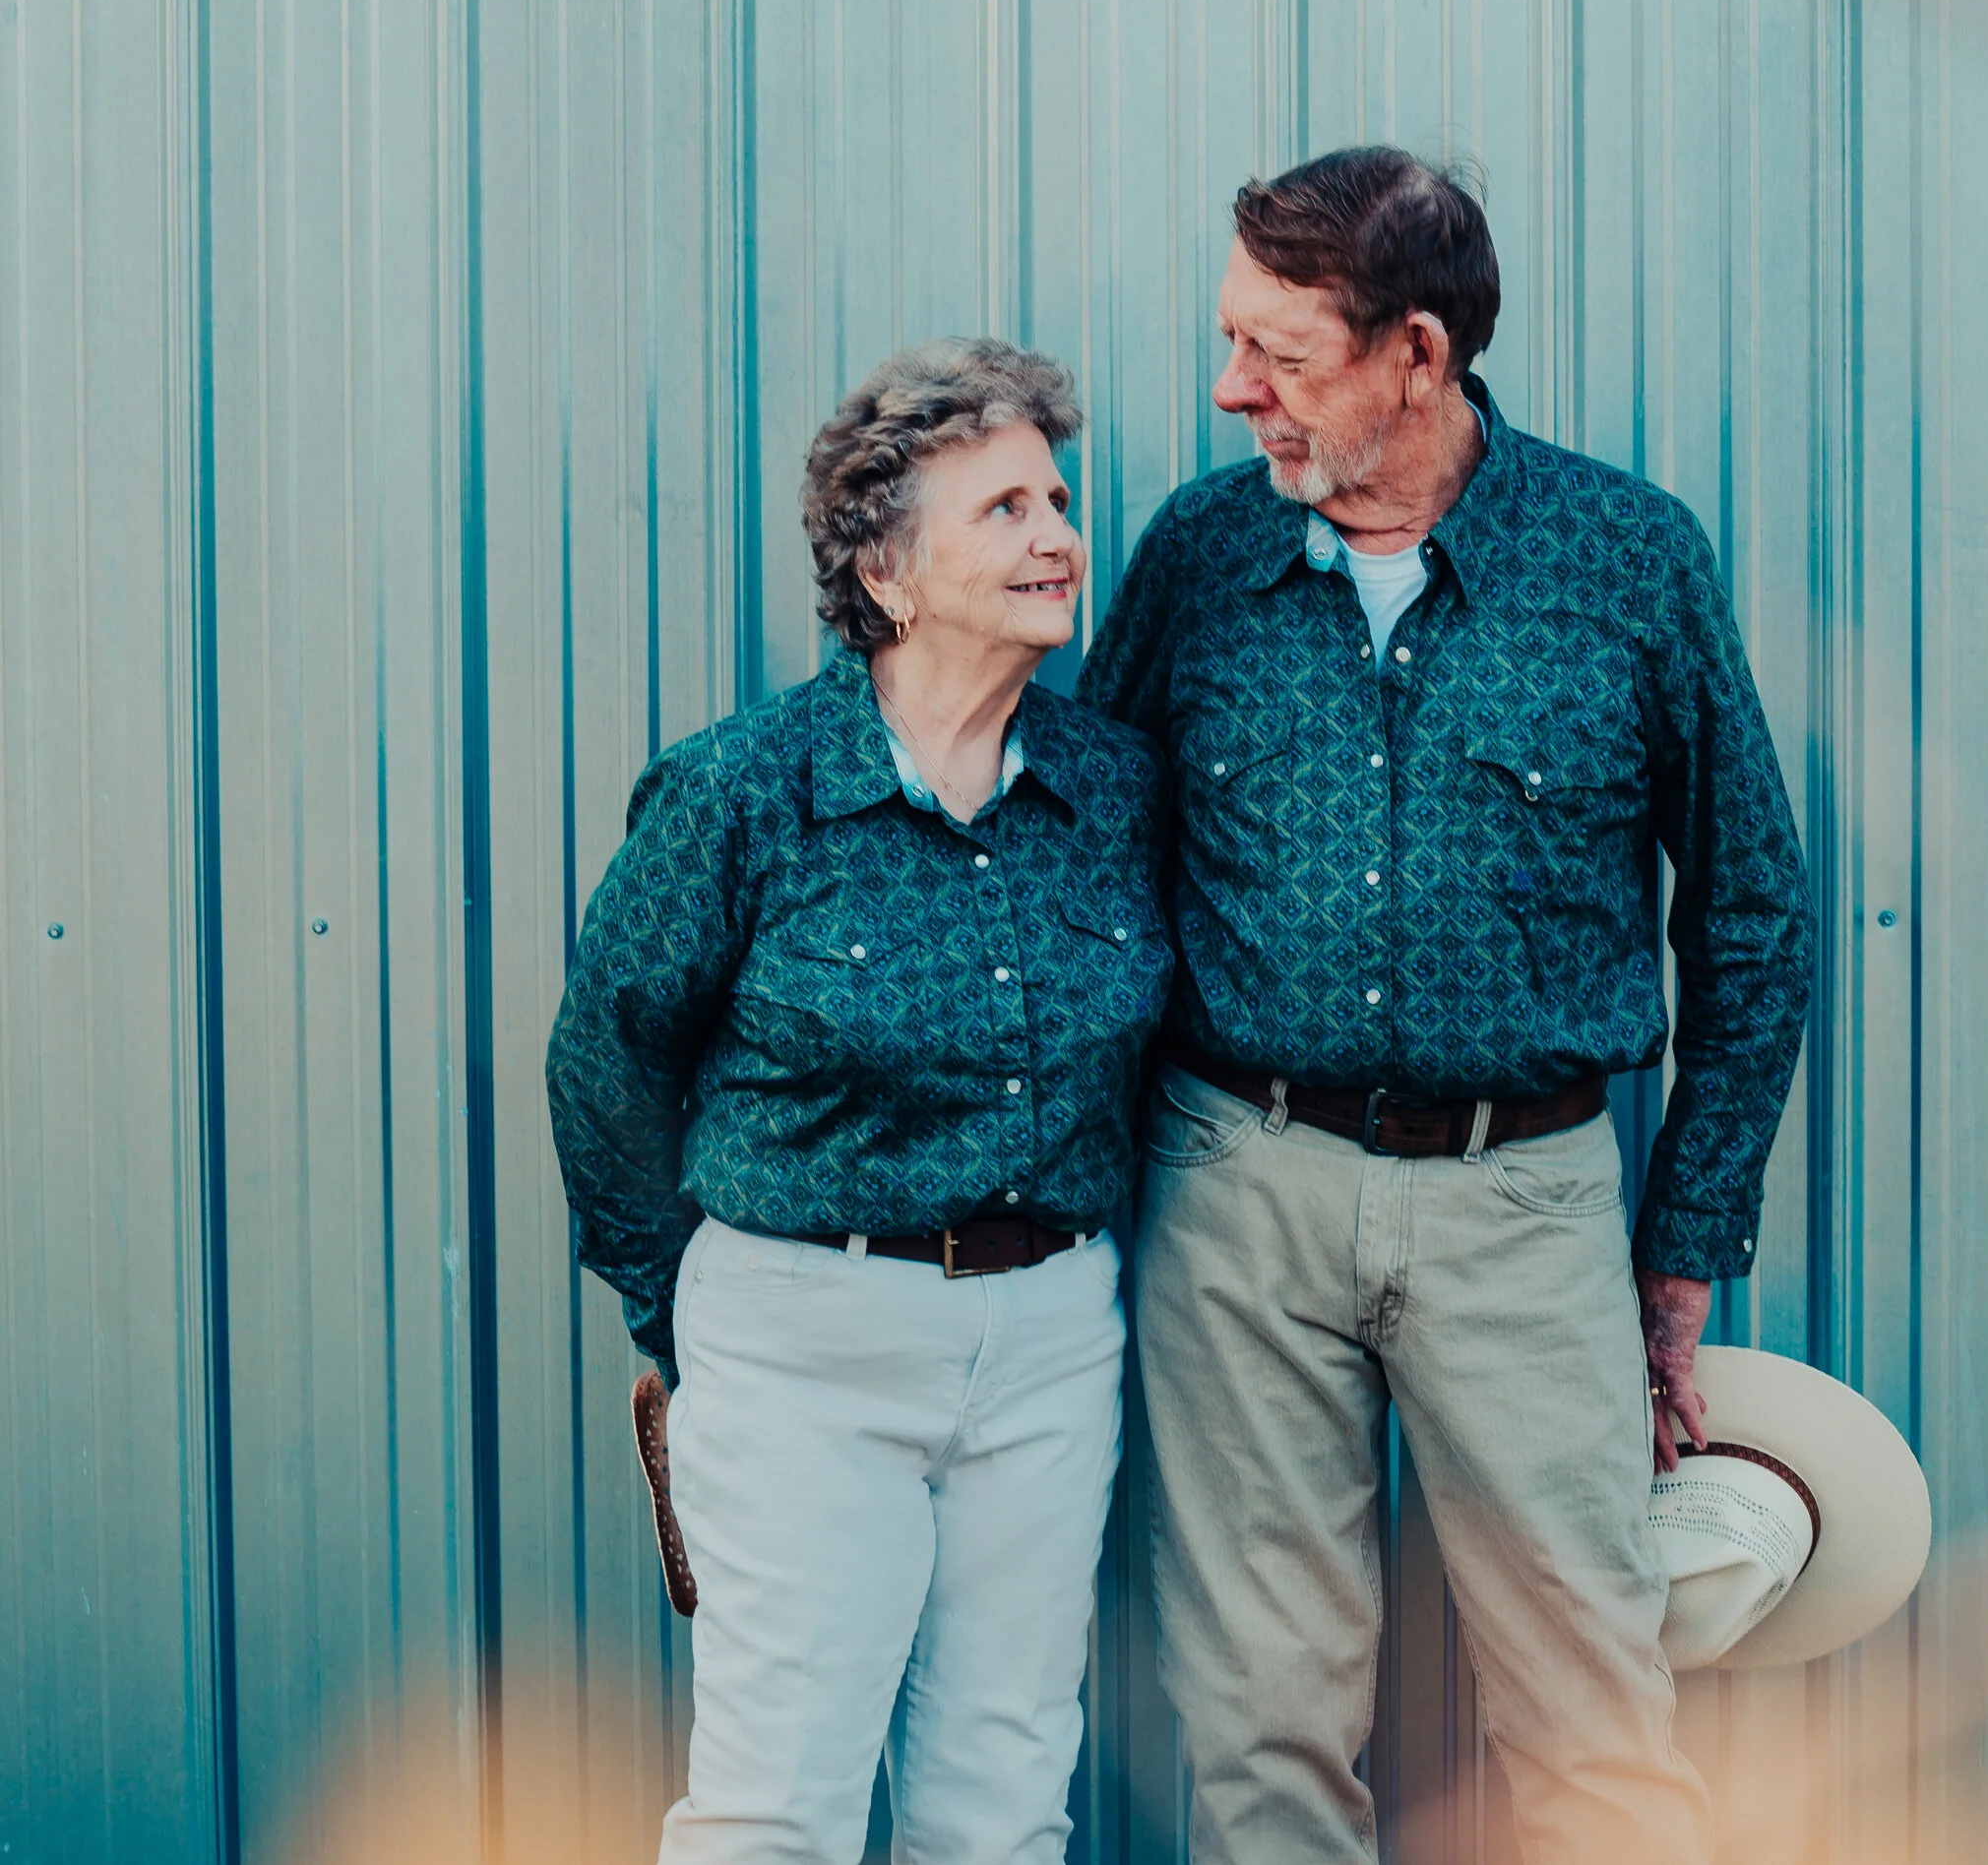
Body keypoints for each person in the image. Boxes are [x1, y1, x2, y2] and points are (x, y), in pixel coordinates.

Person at [1078, 150, 1814, 1865]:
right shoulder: (1198, 559)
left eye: (1280, 352)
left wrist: (1684, 1245)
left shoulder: (1625, 559)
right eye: (1228, 340)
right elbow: (1095, 876)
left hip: (1527, 1204)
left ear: (1418, 353)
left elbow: (1757, 911)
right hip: (1236, 1197)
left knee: (1593, 1718)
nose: (1229, 388)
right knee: (1262, 1722)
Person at [547, 339, 1172, 1865]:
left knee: (1003, 1793)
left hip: (1048, 1343)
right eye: (1004, 510)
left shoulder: (1113, 788)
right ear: (885, 573)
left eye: (1059, 498)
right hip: (803, 1339)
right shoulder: (745, 789)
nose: (1057, 537)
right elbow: (608, 1059)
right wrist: (682, 1313)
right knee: (780, 1804)